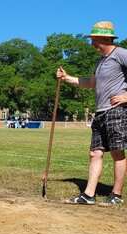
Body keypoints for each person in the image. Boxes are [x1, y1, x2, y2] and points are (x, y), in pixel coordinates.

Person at [56, 21, 127, 207]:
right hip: (100, 113)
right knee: (95, 153)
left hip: (116, 111)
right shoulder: (100, 61)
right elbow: (90, 83)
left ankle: (116, 194)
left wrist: (126, 96)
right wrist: (67, 78)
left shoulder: (120, 54)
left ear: (104, 38)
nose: (92, 43)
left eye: (94, 39)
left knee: (117, 153)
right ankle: (88, 195)